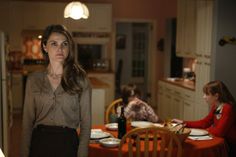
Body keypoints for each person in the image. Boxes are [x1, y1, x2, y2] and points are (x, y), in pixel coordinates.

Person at [21, 24, 91, 157]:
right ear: (45, 47)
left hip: (68, 145)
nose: (60, 48)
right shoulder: (33, 80)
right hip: (39, 144)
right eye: (54, 43)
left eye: (64, 44)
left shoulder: (81, 80)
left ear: (69, 47)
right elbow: (27, 124)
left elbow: (86, 125)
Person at [172, 80, 236, 157]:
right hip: (224, 142)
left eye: (207, 94)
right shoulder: (216, 107)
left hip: (231, 145)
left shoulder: (227, 108)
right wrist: (183, 123)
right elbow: (204, 123)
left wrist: (207, 130)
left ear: (216, 96)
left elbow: (219, 132)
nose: (204, 97)